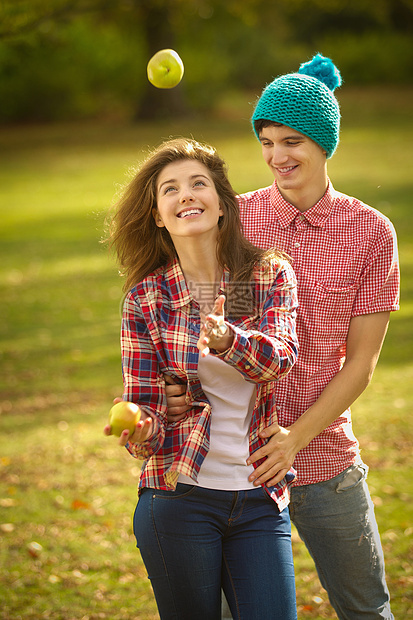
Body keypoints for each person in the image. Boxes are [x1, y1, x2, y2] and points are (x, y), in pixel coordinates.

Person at [166, 55, 400, 620]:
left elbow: (361, 364)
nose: (277, 157)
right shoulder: (237, 218)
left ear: (325, 143)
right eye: (266, 142)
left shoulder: (370, 231)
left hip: (323, 456)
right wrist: (177, 391)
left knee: (365, 608)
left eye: (292, 141)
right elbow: (219, 328)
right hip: (235, 459)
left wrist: (295, 438)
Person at [104, 137, 300, 620]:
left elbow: (279, 357)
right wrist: (140, 428)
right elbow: (147, 409)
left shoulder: (263, 277)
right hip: (178, 496)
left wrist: (225, 340)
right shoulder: (145, 299)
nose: (185, 194)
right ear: (157, 215)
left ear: (221, 204)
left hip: (258, 497)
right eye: (170, 189)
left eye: (198, 184)